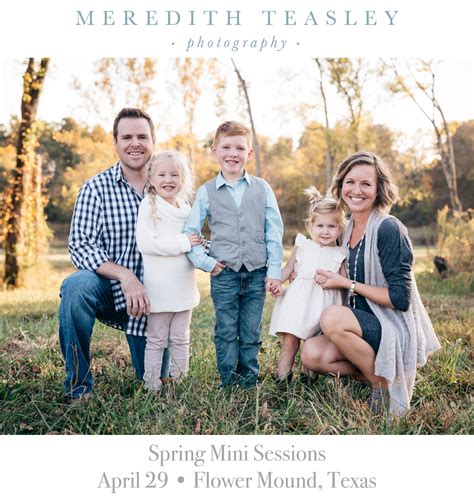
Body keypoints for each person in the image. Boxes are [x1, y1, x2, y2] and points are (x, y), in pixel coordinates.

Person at [300, 152, 440, 415]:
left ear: (378, 190)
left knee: (332, 318)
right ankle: (372, 374)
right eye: (350, 182)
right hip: (361, 321)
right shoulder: (346, 228)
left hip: (392, 324)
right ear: (341, 186)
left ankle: (383, 383)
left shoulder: (388, 229)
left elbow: (400, 299)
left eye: (366, 184)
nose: (356, 190)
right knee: (311, 353)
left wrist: (347, 283)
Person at [58, 108, 170, 404]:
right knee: (75, 287)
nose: (135, 143)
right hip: (109, 290)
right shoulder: (95, 188)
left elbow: (190, 237)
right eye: (127, 137)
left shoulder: (168, 187)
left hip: (153, 302)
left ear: (153, 140)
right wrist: (125, 275)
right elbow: (80, 245)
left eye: (142, 136)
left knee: (156, 384)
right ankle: (79, 386)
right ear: (116, 142)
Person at [183, 121, 284, 389]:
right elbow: (190, 231)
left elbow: (274, 231)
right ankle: (228, 380)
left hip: (256, 272)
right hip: (224, 273)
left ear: (249, 153)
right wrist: (206, 263)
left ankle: (249, 380)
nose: (233, 153)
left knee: (250, 331)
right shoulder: (206, 192)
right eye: (226, 147)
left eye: (240, 148)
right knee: (226, 330)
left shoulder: (262, 188)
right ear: (215, 151)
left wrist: (274, 271)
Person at [136, 151, 201, 392]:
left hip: (183, 287)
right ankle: (151, 384)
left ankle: (179, 381)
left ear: (183, 179)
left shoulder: (185, 207)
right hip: (159, 289)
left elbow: (194, 241)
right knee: (156, 339)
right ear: (151, 178)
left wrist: (200, 246)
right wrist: (184, 242)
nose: (168, 179)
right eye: (162, 174)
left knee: (181, 337)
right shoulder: (149, 206)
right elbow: (148, 244)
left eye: (175, 174)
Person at [269, 187, 346, 381]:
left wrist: (331, 280)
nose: (325, 231)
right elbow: (288, 268)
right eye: (320, 226)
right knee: (290, 342)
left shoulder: (339, 254)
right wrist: (277, 281)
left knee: (313, 342)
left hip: (323, 306)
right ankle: (282, 377)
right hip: (297, 301)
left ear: (340, 228)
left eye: (331, 226)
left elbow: (344, 282)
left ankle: (308, 380)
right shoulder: (304, 245)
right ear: (310, 226)